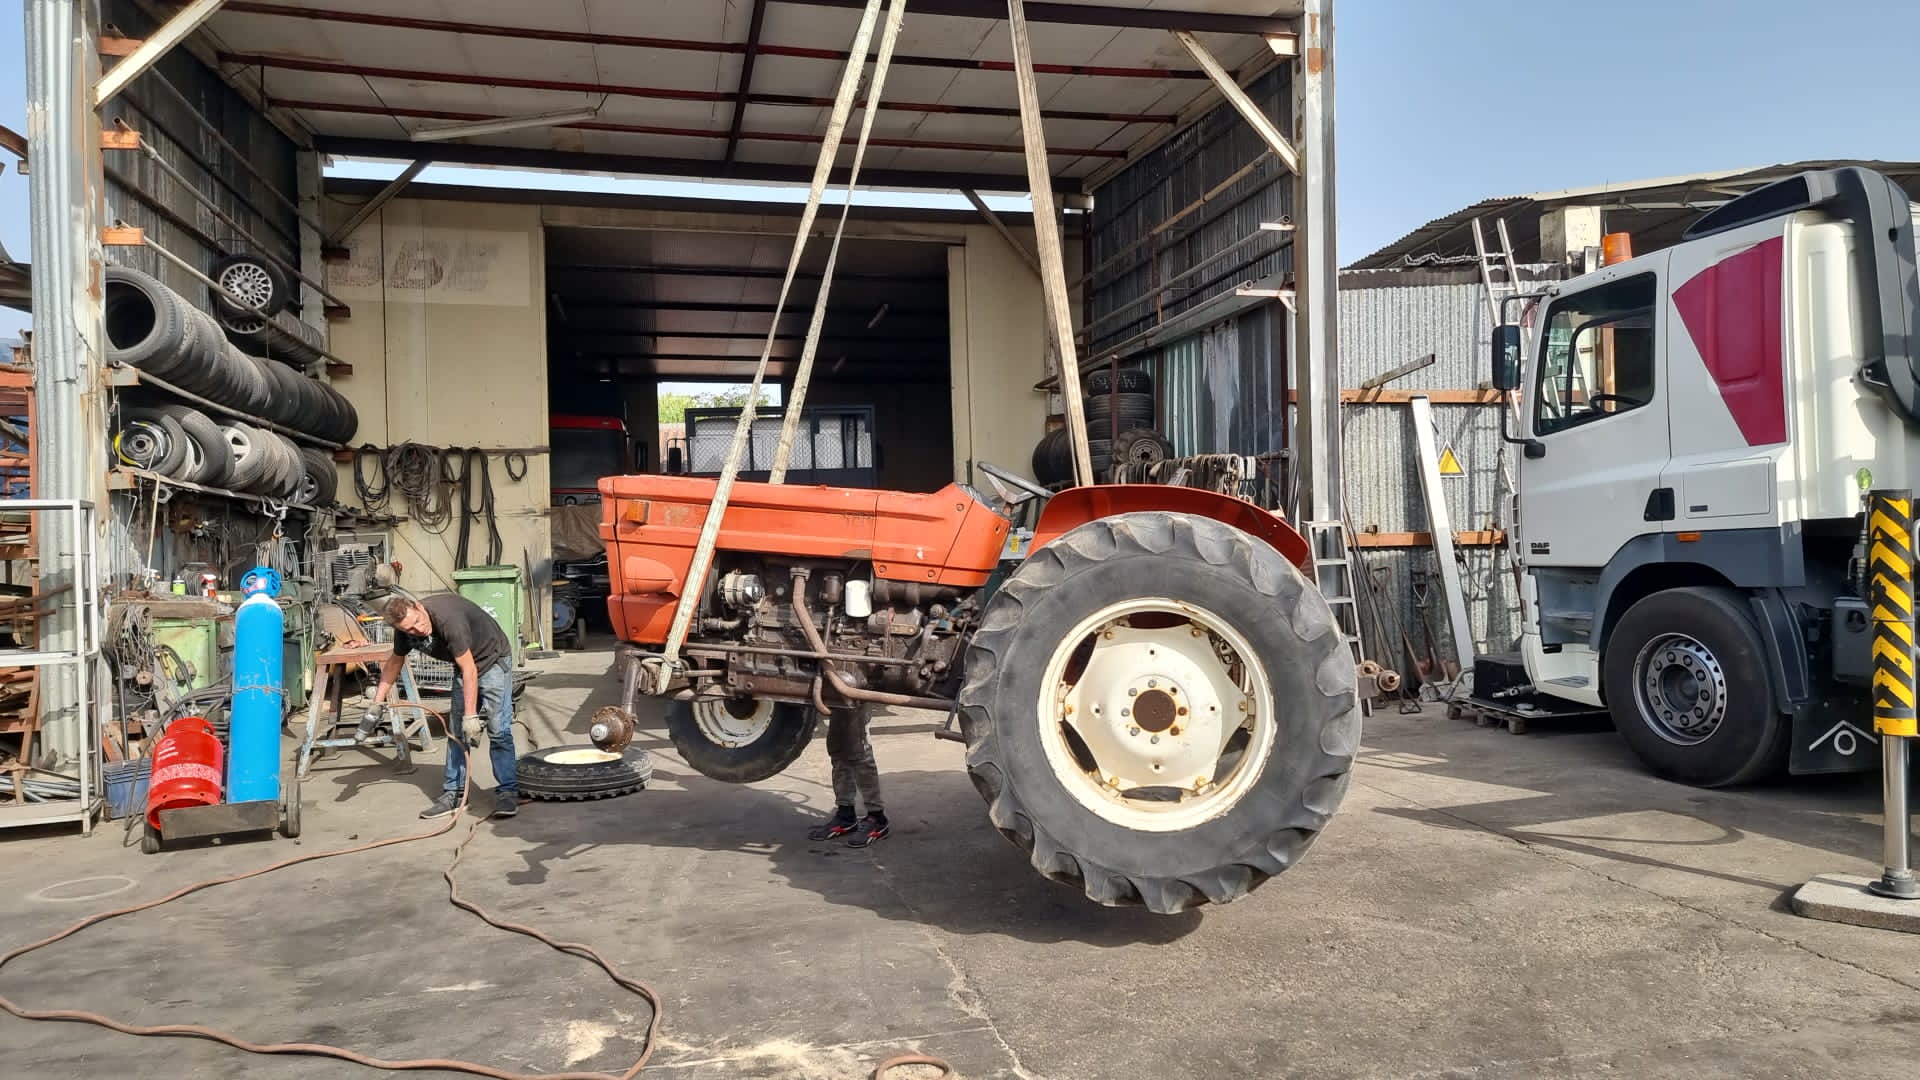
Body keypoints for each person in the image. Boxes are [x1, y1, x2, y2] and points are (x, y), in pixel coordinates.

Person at [363, 592, 519, 819]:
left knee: (498, 730)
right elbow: (395, 662)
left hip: (492, 659)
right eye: (410, 629)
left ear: (418, 606)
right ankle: (454, 793)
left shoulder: (448, 620)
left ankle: (508, 791)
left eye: (417, 621)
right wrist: (377, 702)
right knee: (456, 734)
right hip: (463, 664)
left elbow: (470, 669)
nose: (418, 629)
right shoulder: (404, 630)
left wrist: (471, 716)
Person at [807, 703, 888, 847]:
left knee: (859, 750)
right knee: (838, 749)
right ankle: (846, 816)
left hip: (857, 694)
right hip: (837, 697)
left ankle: (877, 818)